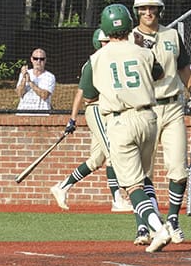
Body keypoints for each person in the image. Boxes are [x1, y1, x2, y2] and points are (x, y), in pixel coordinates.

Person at [82, 3, 173, 253]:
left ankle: (158, 227)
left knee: (131, 186)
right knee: (144, 180)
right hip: (148, 118)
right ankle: (154, 226)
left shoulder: (97, 58)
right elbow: (158, 72)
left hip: (121, 121)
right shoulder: (142, 50)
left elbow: (89, 96)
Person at [130, 0, 191, 246]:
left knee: (179, 167)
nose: (148, 12)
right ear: (137, 12)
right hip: (145, 108)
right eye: (144, 9)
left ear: (159, 10)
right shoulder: (129, 38)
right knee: (143, 171)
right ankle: (143, 225)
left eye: (153, 8)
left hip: (173, 106)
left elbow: (184, 68)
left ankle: (173, 220)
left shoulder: (172, 35)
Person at [50, 28, 132, 213]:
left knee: (96, 160)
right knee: (112, 152)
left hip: (107, 109)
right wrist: (72, 118)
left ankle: (62, 187)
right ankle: (117, 199)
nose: (108, 44)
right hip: (96, 108)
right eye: (104, 42)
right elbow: (82, 94)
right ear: (98, 43)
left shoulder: (111, 60)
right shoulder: (93, 63)